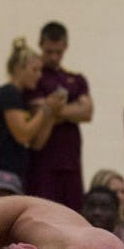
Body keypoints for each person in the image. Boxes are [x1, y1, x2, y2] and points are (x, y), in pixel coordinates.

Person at [0, 37, 63, 200]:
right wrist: (45, 109)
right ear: (19, 68)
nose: (39, 76)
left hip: (15, 175)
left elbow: (35, 143)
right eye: (34, 70)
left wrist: (52, 113)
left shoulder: (19, 97)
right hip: (1, 177)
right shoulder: (9, 94)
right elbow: (23, 134)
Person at [24, 21, 92, 210]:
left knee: (73, 216)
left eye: (58, 52)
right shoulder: (34, 78)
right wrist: (72, 110)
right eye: (49, 52)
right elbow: (35, 111)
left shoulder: (75, 79)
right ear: (41, 45)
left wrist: (51, 110)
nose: (54, 57)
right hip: (42, 162)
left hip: (70, 162)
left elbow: (87, 112)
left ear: (65, 47)